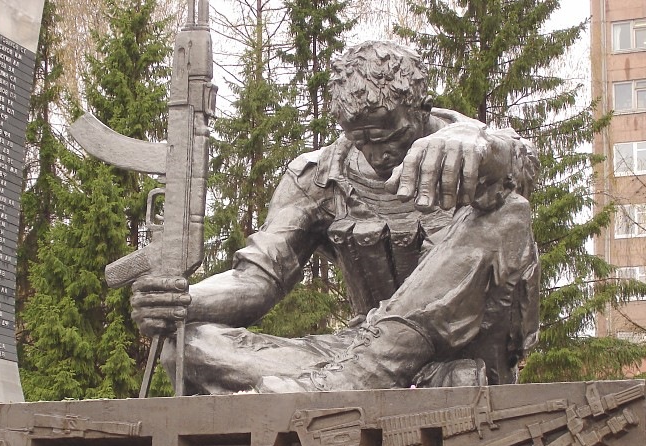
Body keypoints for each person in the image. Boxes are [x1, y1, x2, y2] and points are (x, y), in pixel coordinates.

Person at [132, 40, 540, 395]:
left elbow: (522, 169)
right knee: (187, 346)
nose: (375, 155)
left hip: (469, 349)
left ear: (421, 111)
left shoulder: (478, 147)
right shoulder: (317, 176)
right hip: (354, 355)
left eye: (388, 137)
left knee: (507, 212)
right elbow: (257, 279)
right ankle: (399, 379)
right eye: (360, 140)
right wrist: (184, 300)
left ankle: (372, 376)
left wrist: (487, 152)